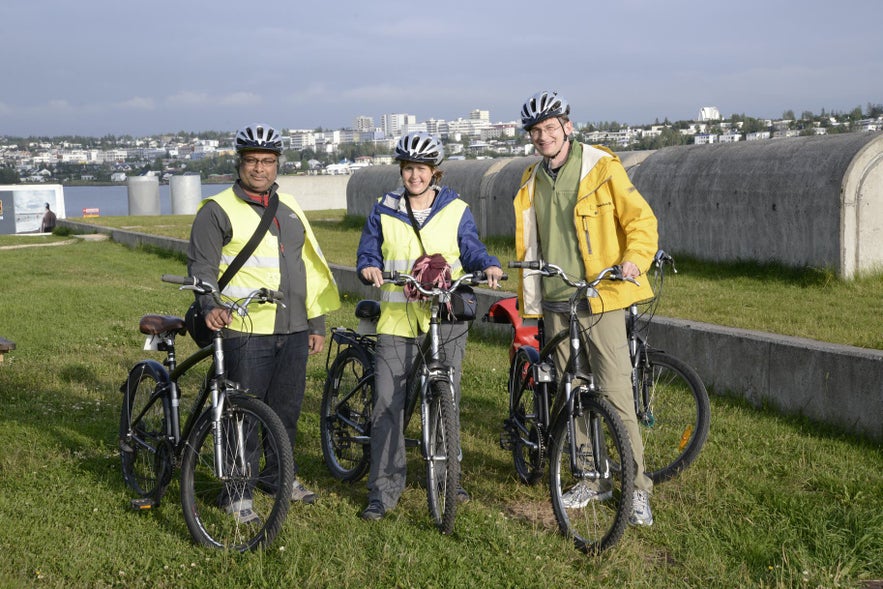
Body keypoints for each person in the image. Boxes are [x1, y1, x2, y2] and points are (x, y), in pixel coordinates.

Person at [513, 90, 659, 526]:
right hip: (556, 299)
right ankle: (592, 477)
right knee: (571, 391)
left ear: (567, 127)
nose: (543, 136)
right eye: (536, 131)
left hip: (599, 295)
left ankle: (636, 488)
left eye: (550, 128)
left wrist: (634, 258)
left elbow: (641, 220)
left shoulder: (600, 166)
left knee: (615, 392)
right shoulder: (530, 179)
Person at [188, 123, 340, 521]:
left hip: (292, 329)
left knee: (286, 411)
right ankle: (237, 492)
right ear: (239, 164)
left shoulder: (289, 208)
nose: (260, 168)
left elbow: (307, 267)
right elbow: (202, 269)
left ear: (277, 165)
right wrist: (209, 305)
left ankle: (277, 478)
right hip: (245, 328)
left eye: (268, 161)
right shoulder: (216, 209)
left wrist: (316, 321)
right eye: (253, 161)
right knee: (242, 413)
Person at [356, 132, 504, 521]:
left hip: (446, 316)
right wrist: (369, 265)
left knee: (445, 400)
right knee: (388, 405)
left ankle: (446, 478)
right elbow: (368, 248)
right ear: (401, 171)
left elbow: (470, 247)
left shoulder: (456, 208)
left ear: (433, 172)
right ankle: (383, 491)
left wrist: (486, 264)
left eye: (421, 169)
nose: (414, 176)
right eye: (408, 168)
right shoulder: (383, 208)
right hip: (398, 319)